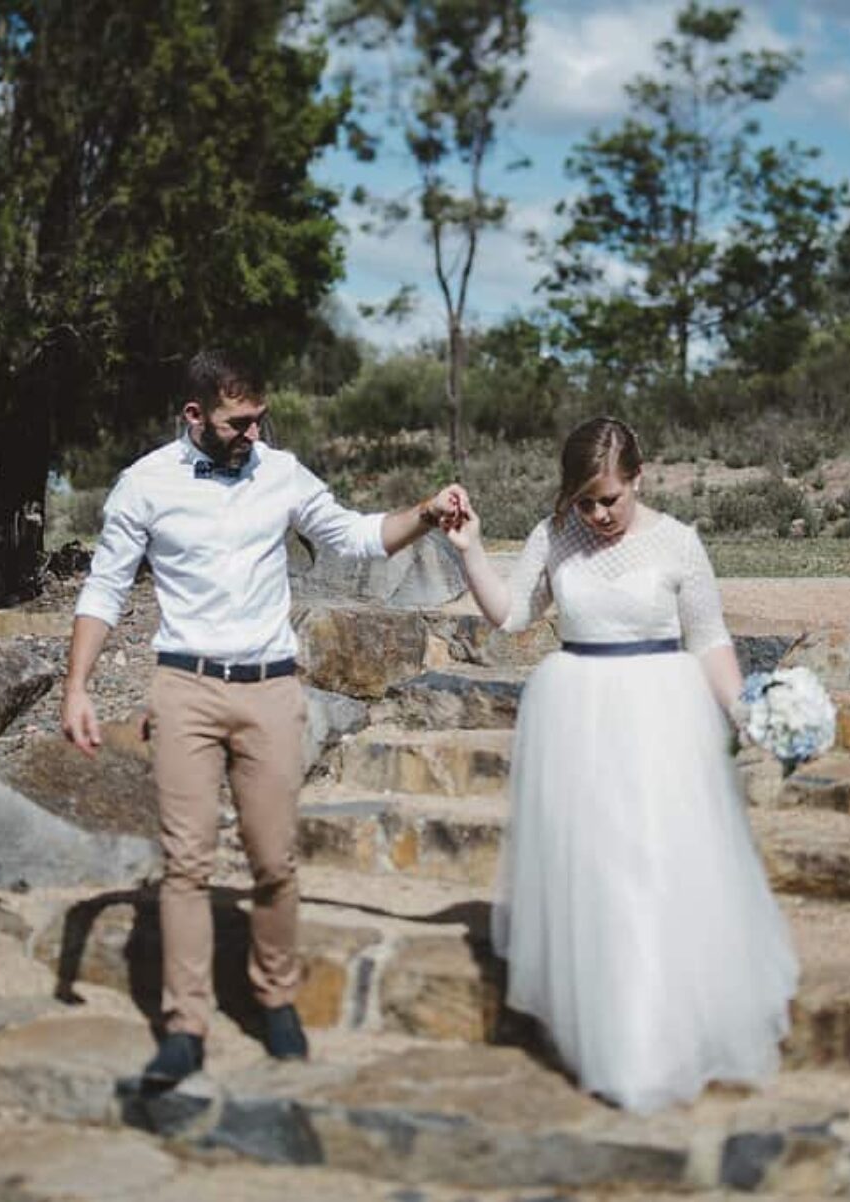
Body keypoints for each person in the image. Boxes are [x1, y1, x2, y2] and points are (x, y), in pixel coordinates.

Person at [61, 348, 465, 1088]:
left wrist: (427, 515)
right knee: (185, 863)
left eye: (259, 419)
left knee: (274, 859)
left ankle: (274, 996)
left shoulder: (280, 472)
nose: (253, 433)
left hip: (271, 687)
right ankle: (185, 1025)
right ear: (194, 417)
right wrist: (76, 686)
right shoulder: (143, 485)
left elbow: (354, 536)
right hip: (184, 688)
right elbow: (104, 587)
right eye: (237, 422)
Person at [445, 416, 798, 1112]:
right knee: (600, 873)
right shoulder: (555, 537)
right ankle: (614, 1040)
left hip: (662, 720)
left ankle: (660, 1039)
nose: (599, 514)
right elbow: (512, 616)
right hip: (577, 718)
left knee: (655, 868)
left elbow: (709, 639)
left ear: (639, 477)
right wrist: (470, 550)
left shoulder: (678, 544)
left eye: (611, 498)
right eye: (585, 501)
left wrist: (746, 712)